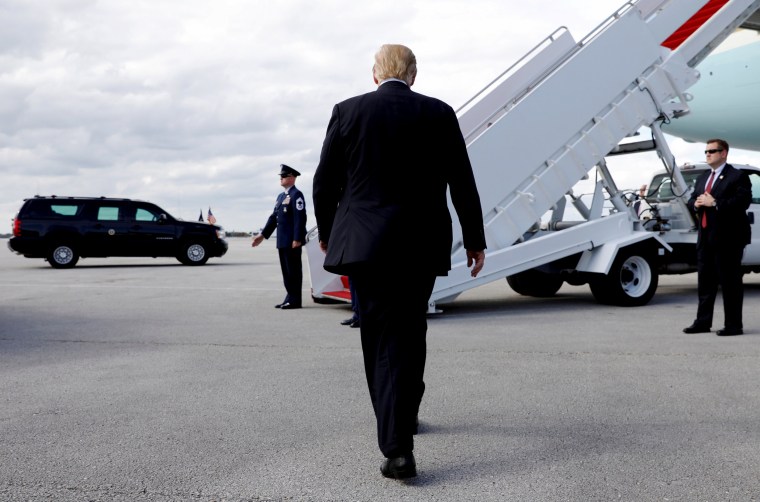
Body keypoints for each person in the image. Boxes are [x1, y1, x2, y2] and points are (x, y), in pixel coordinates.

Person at [312, 44, 486, 479]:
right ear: (413, 74)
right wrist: (475, 240)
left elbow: (324, 181)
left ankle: (397, 447)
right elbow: (462, 181)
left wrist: (331, 234)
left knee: (379, 338)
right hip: (420, 246)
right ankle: (404, 418)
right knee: (411, 331)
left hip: (365, 247)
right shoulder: (439, 113)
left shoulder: (347, 111)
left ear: (376, 74)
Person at [683, 139, 751, 336]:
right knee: (705, 283)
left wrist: (715, 202)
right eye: (706, 151)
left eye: (712, 151)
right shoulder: (703, 177)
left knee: (730, 284)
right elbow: (692, 199)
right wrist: (695, 204)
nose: (708, 154)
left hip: (729, 240)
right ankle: (702, 322)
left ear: (724, 153)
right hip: (706, 238)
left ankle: (733, 325)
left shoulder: (737, 176)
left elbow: (742, 202)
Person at [252, 164, 307, 310]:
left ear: (292, 178)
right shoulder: (281, 196)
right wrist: (262, 235)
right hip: (282, 240)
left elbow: (300, 218)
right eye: (280, 176)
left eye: (284, 176)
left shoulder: (297, 195)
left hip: (292, 241)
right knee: (286, 271)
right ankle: (290, 297)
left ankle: (295, 300)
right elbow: (274, 217)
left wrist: (297, 238)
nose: (281, 179)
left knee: (293, 271)